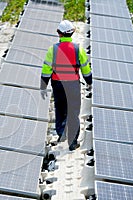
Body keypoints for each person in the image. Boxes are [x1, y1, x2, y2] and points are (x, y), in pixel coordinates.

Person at [40, 20, 92, 151]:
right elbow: (85, 68)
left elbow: (46, 69)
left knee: (60, 109)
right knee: (73, 112)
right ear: (72, 32)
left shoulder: (53, 50)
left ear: (59, 33)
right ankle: (73, 142)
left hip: (57, 84)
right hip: (73, 84)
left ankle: (61, 133)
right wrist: (89, 82)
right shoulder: (78, 49)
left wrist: (43, 86)